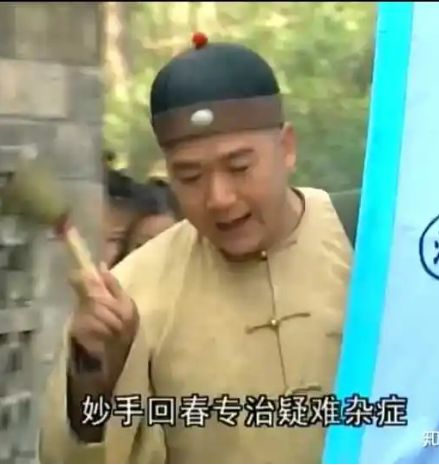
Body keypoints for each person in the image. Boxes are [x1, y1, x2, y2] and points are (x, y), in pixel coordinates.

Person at [39, 32, 354, 463]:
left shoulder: (365, 240)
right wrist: (93, 373)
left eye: (239, 167)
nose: (218, 198)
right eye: (190, 177)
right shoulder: (134, 291)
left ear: (286, 149)